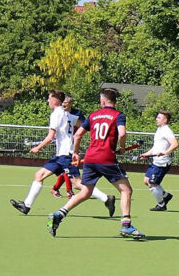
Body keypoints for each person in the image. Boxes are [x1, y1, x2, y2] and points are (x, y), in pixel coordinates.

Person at [47, 88, 144, 239]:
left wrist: (76, 152)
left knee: (85, 192)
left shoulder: (93, 115)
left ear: (103, 101)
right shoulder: (118, 115)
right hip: (107, 159)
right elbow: (122, 133)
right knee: (126, 191)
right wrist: (123, 147)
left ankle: (58, 215)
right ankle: (126, 226)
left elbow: (78, 135)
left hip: (91, 159)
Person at [9, 90, 115, 217]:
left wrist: (38, 148)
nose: (48, 100)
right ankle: (26, 206)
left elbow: (50, 137)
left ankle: (106, 199)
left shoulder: (56, 114)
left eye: (49, 98)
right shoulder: (68, 115)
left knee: (77, 184)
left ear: (55, 100)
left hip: (66, 155)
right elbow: (84, 125)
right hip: (60, 155)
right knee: (39, 175)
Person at [140, 110, 179, 211]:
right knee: (146, 181)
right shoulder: (159, 129)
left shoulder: (167, 131)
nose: (156, 119)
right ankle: (166, 195)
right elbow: (156, 147)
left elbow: (175, 144)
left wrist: (165, 153)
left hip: (162, 163)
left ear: (165, 120)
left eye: (159, 118)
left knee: (152, 183)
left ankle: (161, 205)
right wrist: (147, 154)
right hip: (155, 161)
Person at [50, 94, 87, 199]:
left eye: (65, 103)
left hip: (73, 143)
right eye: (62, 103)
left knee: (66, 168)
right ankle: (69, 190)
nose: (63, 105)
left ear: (70, 103)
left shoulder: (77, 113)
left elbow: (84, 125)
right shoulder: (59, 113)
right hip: (64, 145)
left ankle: (56, 188)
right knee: (68, 167)